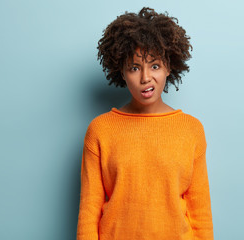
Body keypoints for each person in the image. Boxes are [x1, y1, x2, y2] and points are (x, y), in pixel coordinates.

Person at [76, 7, 214, 240]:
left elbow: (200, 211)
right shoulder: (100, 130)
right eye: (134, 67)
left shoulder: (191, 129)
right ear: (121, 71)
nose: (145, 78)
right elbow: (89, 210)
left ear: (170, 67)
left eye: (155, 66)